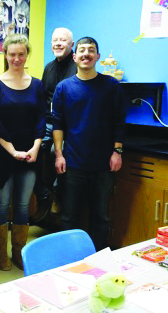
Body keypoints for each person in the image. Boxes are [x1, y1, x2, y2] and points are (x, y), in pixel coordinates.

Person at [51, 37, 126, 252]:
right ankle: (67, 258)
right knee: (69, 216)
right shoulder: (64, 88)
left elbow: (119, 121)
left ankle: (99, 257)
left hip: (104, 163)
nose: (86, 54)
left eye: (91, 50)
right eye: (81, 50)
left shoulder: (111, 86)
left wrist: (117, 151)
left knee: (100, 216)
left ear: (98, 57)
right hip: (73, 162)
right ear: (74, 57)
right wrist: (59, 155)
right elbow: (58, 124)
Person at [0, 34, 46, 271]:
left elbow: (42, 117)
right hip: (2, 154)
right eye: (12, 54)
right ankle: (0, 255)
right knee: (1, 205)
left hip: (30, 154)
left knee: (22, 206)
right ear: (5, 55)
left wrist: (34, 147)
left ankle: (19, 253)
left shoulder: (37, 84)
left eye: (21, 54)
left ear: (27, 54)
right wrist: (12, 150)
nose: (16, 58)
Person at [31, 27, 76, 224]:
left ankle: (57, 193)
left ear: (71, 45)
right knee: (28, 156)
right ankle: (43, 193)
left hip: (69, 126)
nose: (58, 43)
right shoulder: (49, 67)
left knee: (55, 154)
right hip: (47, 122)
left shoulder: (78, 67)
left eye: (63, 40)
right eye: (55, 40)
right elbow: (41, 98)